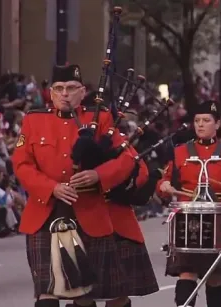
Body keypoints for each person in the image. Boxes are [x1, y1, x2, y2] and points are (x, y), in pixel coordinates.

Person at [12, 64, 158, 307]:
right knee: (47, 292)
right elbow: (22, 165)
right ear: (50, 92)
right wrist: (51, 187)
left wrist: (98, 175)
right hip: (45, 213)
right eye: (58, 88)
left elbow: (126, 158)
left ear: (82, 91)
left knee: (84, 294)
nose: (64, 94)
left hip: (88, 214)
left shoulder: (99, 118)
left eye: (71, 88)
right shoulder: (34, 120)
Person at [156, 100, 221, 307]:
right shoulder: (181, 151)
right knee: (186, 273)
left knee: (215, 275)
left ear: (217, 124)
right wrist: (163, 185)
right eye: (197, 120)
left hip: (220, 219)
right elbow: (165, 181)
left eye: (206, 120)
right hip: (187, 220)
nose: (200, 124)